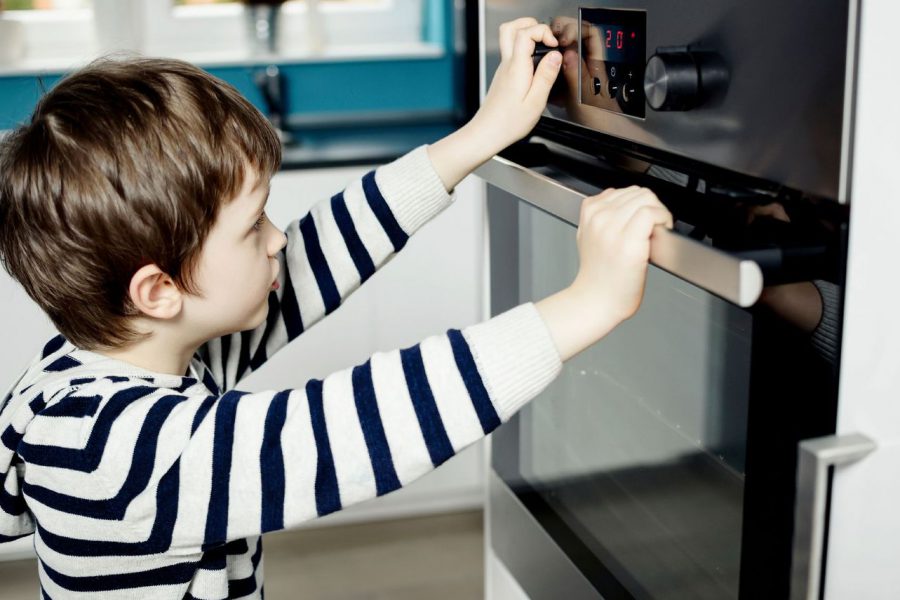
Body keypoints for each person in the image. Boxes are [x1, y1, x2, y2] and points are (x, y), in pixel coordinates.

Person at [0, 18, 671, 599]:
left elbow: (316, 259)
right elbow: (354, 425)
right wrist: (589, 304)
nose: (279, 239)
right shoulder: (126, 453)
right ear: (157, 290)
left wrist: (479, 136)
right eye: (253, 225)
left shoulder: (80, 371)